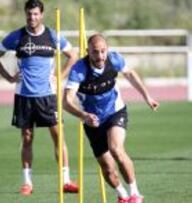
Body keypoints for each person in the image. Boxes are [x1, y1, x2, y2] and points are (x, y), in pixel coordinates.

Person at [0, 0, 79, 195]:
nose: (32, 18)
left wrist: (60, 76)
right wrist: (8, 77)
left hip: (48, 96)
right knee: (27, 138)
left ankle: (65, 180)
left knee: (58, 137)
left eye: (36, 14)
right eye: (29, 14)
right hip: (24, 96)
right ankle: (27, 183)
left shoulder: (52, 36)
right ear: (25, 15)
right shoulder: (17, 36)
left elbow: (73, 55)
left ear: (42, 15)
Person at [63, 34, 159, 203]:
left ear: (107, 50)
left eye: (103, 51)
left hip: (115, 112)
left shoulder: (114, 59)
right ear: (88, 52)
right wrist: (83, 115)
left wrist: (147, 97)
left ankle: (135, 193)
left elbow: (130, 74)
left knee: (116, 149)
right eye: (95, 52)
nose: (100, 56)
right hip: (92, 121)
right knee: (107, 169)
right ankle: (122, 195)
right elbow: (66, 101)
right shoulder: (79, 69)